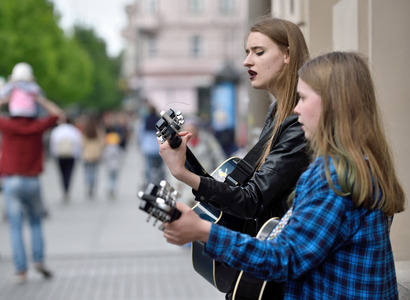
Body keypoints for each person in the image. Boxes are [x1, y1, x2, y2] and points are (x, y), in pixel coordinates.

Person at [163, 51, 406, 299]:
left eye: (303, 98)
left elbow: (282, 259)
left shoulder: (332, 178)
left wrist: (203, 231)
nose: (296, 110)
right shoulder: (362, 164)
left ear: (332, 104)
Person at [0, 64, 63, 284]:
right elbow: (58, 114)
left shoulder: (6, 125)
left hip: (11, 181)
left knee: (15, 226)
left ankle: (21, 270)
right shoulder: (36, 126)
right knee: (35, 222)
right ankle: (39, 261)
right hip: (32, 180)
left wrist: (3, 97)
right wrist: (37, 96)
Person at [49, 116, 82, 202]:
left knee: (62, 174)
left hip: (60, 155)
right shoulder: (73, 130)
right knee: (69, 173)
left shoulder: (56, 131)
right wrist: (77, 154)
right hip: (71, 155)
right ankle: (67, 190)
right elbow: (78, 143)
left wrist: (54, 154)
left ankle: (64, 189)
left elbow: (53, 144)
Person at [139, 104, 166, 186]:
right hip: (159, 148)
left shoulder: (145, 120)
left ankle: (150, 184)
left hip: (148, 148)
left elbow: (141, 134)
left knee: (149, 169)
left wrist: (141, 145)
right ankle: (161, 183)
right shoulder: (159, 121)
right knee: (160, 168)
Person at [81, 114, 105, 198]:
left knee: (87, 172)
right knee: (94, 172)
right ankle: (92, 186)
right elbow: (102, 141)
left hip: (87, 154)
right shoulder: (98, 130)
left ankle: (88, 184)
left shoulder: (86, 130)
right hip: (95, 153)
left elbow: (82, 143)